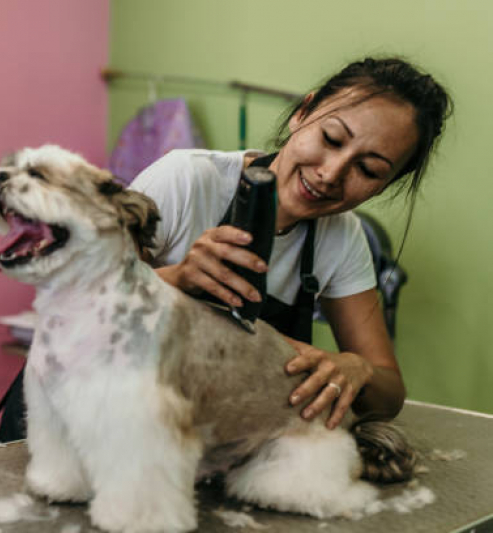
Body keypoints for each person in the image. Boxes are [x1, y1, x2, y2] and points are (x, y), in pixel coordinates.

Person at [129, 57, 452, 430]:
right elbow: (84, 308)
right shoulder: (186, 180)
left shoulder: (343, 238)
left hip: (237, 434)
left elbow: (389, 392)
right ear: (303, 112)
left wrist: (357, 368)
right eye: (331, 139)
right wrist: (176, 278)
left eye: (369, 170)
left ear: (386, 184)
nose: (331, 174)